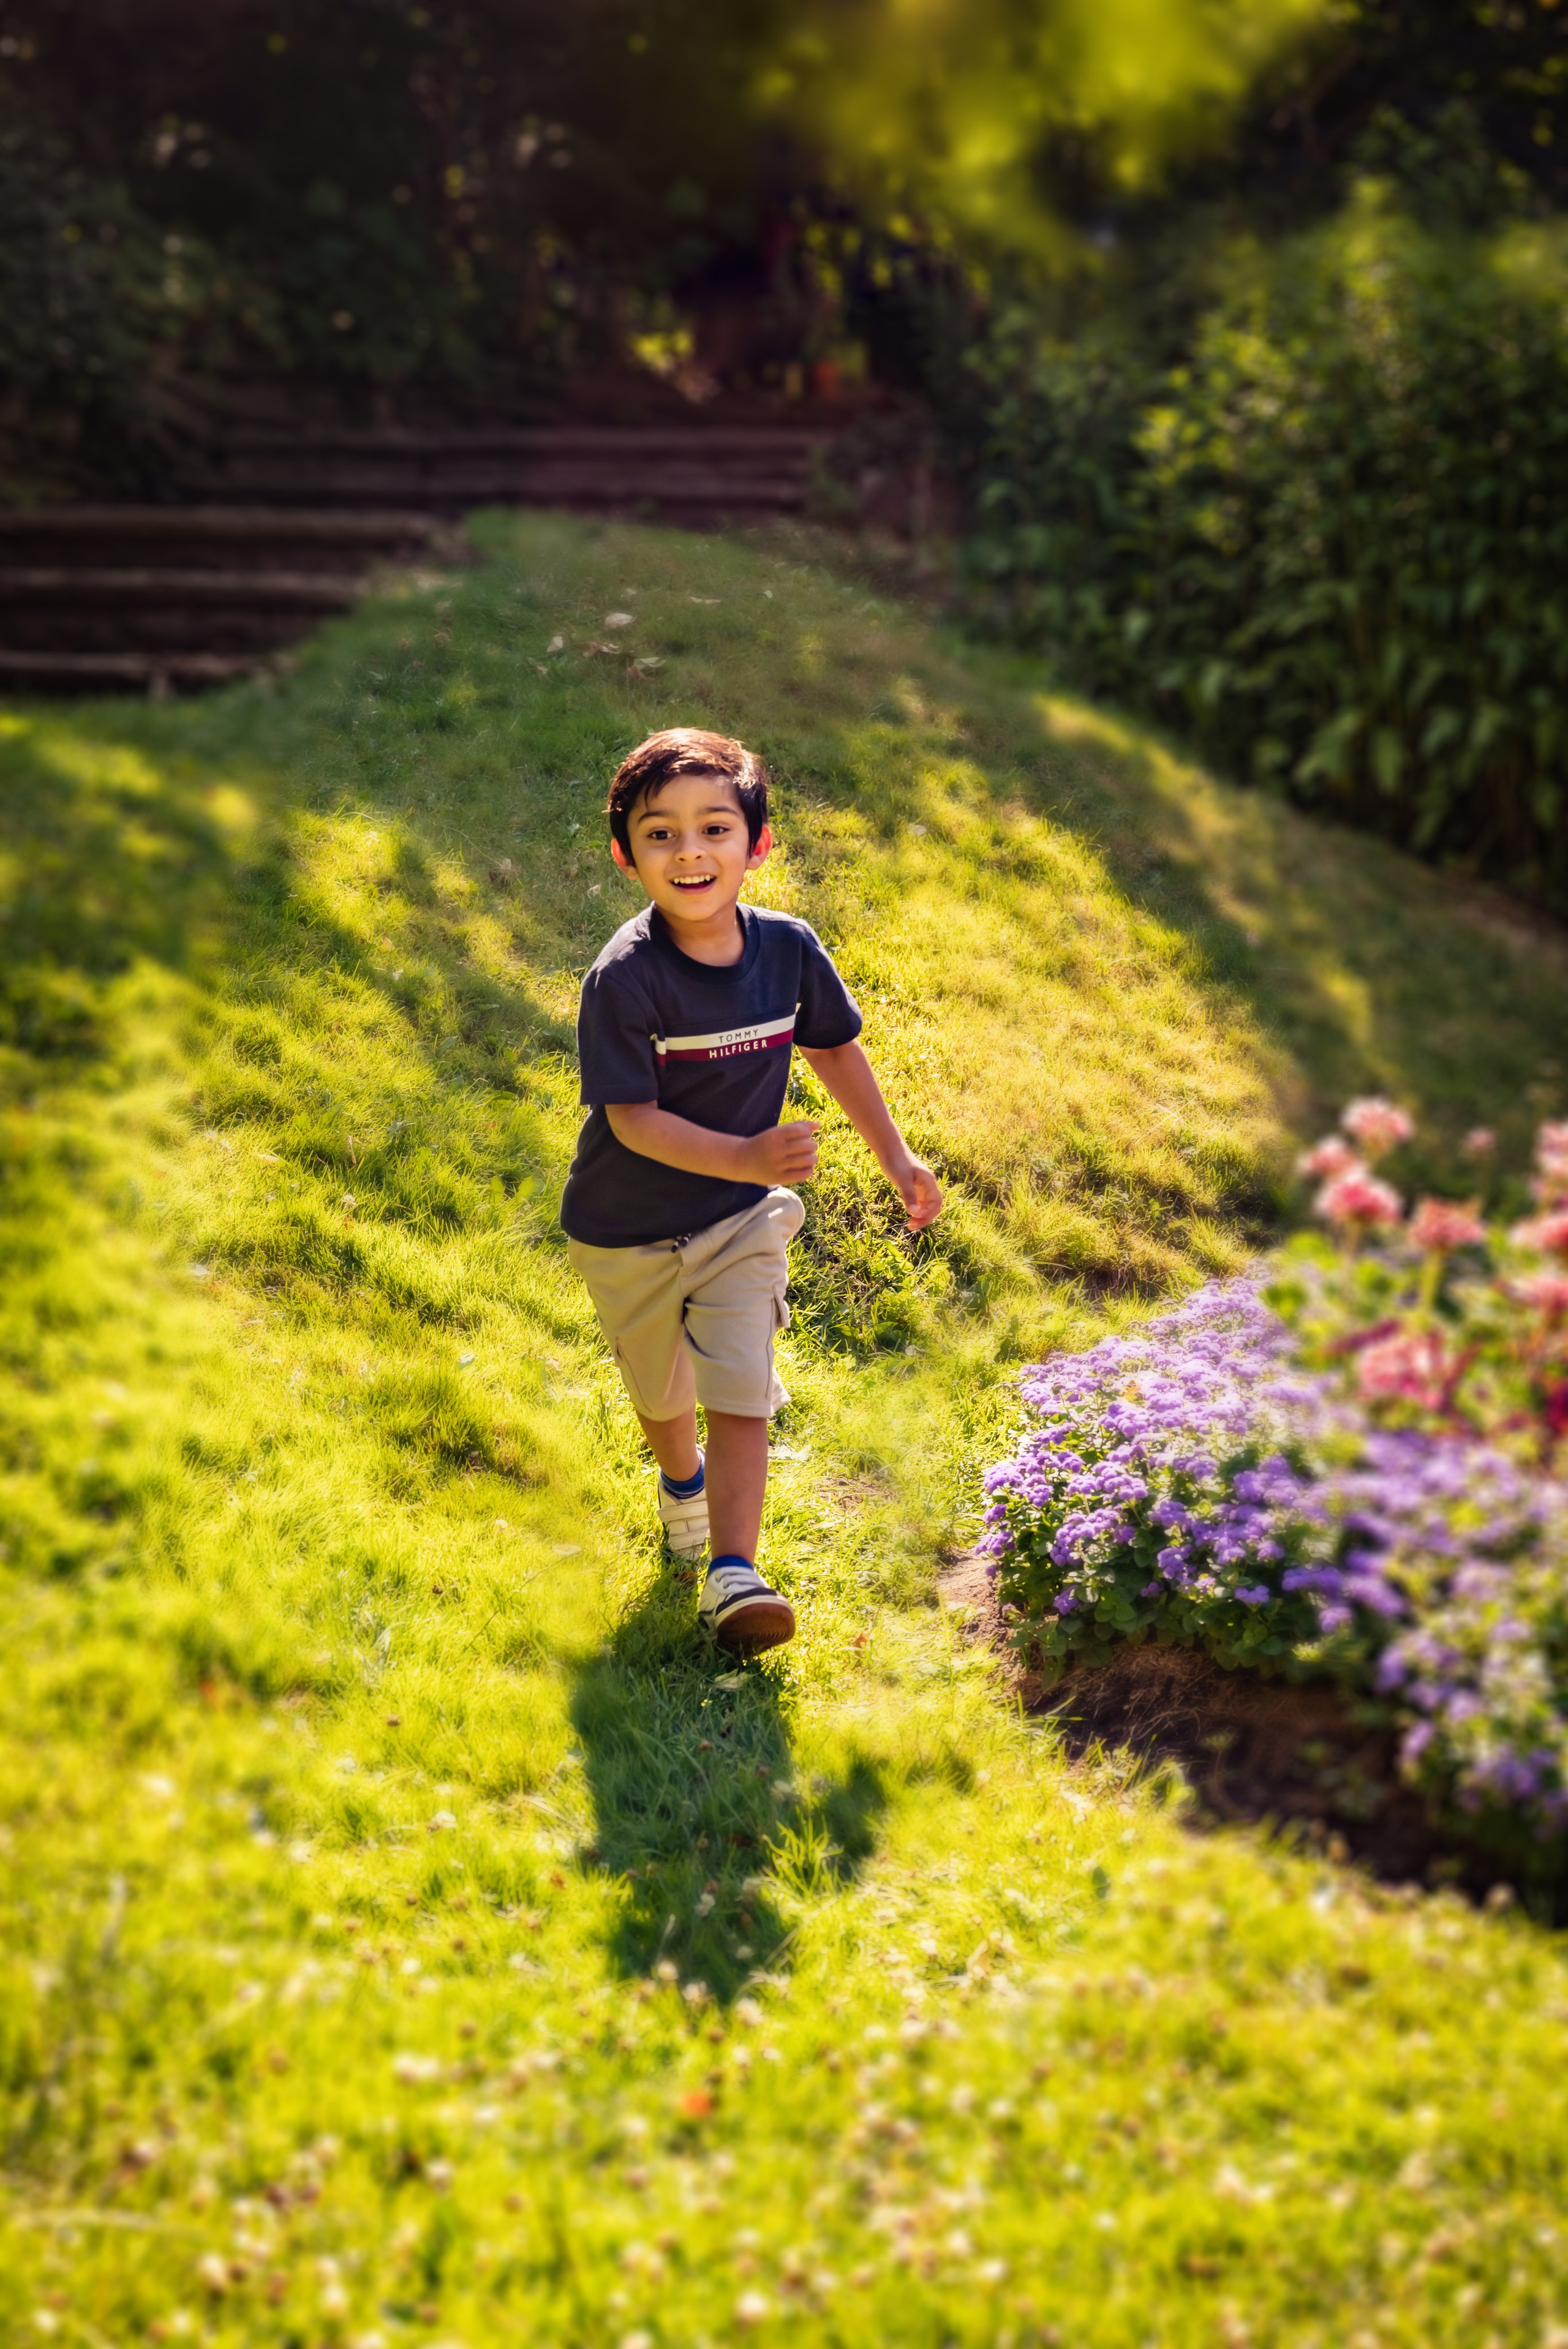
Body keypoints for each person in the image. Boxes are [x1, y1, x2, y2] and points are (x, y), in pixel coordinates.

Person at [559, 727, 944, 1654]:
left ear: (757, 845)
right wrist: (746, 1156)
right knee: (663, 1393)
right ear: (626, 855)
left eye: (715, 828)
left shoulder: (788, 950)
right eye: (661, 835)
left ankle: (735, 1575)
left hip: (739, 1221)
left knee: (740, 1385)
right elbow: (631, 1121)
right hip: (626, 1228)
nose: (690, 852)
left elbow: (832, 1045)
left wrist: (895, 1157)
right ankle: (680, 1483)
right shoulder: (625, 978)